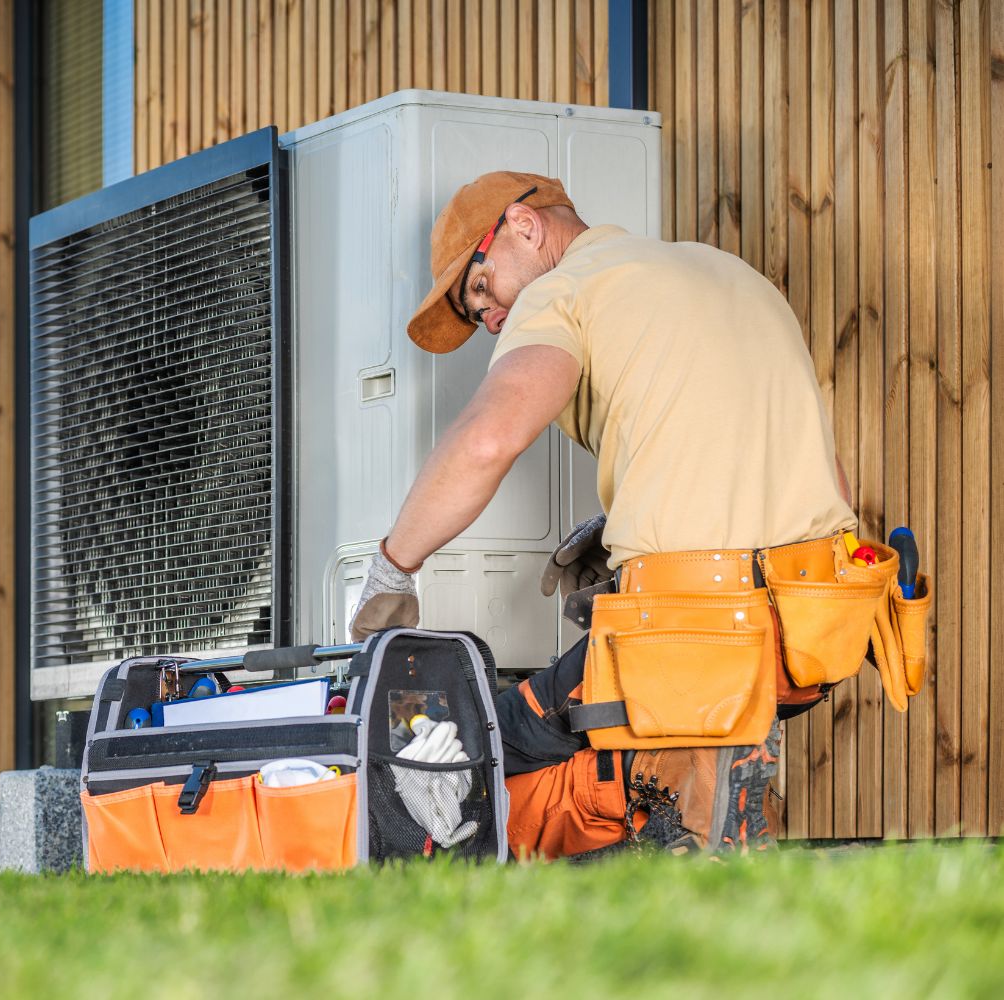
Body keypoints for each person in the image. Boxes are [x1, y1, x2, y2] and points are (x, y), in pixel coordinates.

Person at [348, 171, 866, 860]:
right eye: (480, 318)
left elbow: (487, 439)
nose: (492, 320)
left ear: (524, 228)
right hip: (813, 634)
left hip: (693, 632)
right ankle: (694, 797)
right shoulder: (728, 273)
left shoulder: (565, 290)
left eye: (482, 290)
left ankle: (679, 802)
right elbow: (823, 477)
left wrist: (393, 567)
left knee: (469, 738)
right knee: (626, 730)